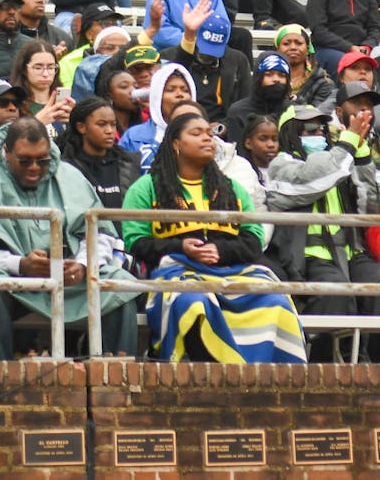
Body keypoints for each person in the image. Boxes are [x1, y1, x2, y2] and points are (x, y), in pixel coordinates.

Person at [0, 117, 139, 359]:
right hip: (12, 282)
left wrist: (82, 264)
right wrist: (20, 265)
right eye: (24, 161)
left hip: (69, 280)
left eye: (43, 160)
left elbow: (101, 233)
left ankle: (117, 380)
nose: (35, 167)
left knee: (119, 284)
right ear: (7, 152)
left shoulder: (70, 176)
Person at [122, 111, 307, 363]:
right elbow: (136, 241)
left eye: (209, 134)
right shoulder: (146, 187)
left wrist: (221, 251)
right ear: (175, 143)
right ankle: (219, 377)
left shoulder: (232, 188)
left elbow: (253, 239)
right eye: (196, 134)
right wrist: (182, 247)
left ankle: (268, 380)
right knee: (193, 302)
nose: (207, 139)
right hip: (178, 271)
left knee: (276, 300)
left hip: (234, 270)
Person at [261, 103, 380, 361]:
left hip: (352, 253)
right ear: (290, 133)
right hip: (310, 257)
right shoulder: (280, 166)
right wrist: (349, 143)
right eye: (308, 129)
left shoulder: (340, 161)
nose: (317, 134)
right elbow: (313, 180)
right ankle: (323, 370)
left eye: (321, 129)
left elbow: (371, 208)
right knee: (337, 294)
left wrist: (361, 155)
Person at [59, 97, 140, 210]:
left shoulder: (128, 163)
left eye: (113, 124)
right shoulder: (66, 168)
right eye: (102, 124)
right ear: (81, 127)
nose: (109, 131)